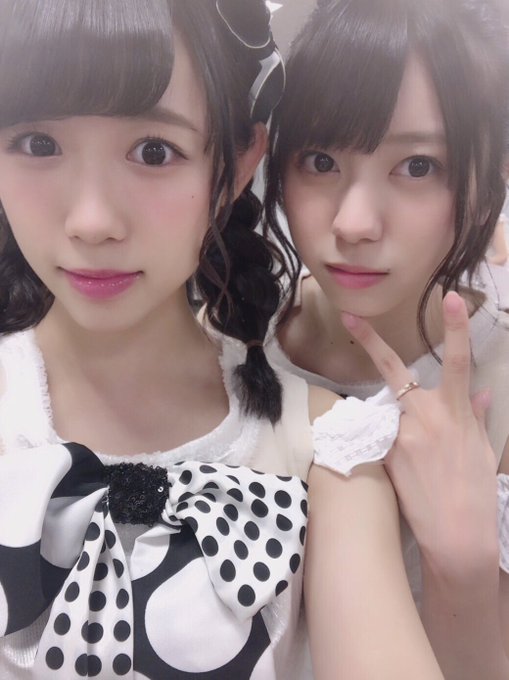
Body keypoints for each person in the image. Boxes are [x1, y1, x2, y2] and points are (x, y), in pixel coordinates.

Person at [0, 1, 450, 679]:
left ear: (237, 167)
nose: (92, 221)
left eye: (154, 151)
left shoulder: (327, 451)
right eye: (38, 144)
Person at [264, 0, 509, 678]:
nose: (354, 222)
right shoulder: (230, 336)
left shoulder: (500, 384)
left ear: (491, 173)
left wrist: (461, 568)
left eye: (418, 166)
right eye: (319, 159)